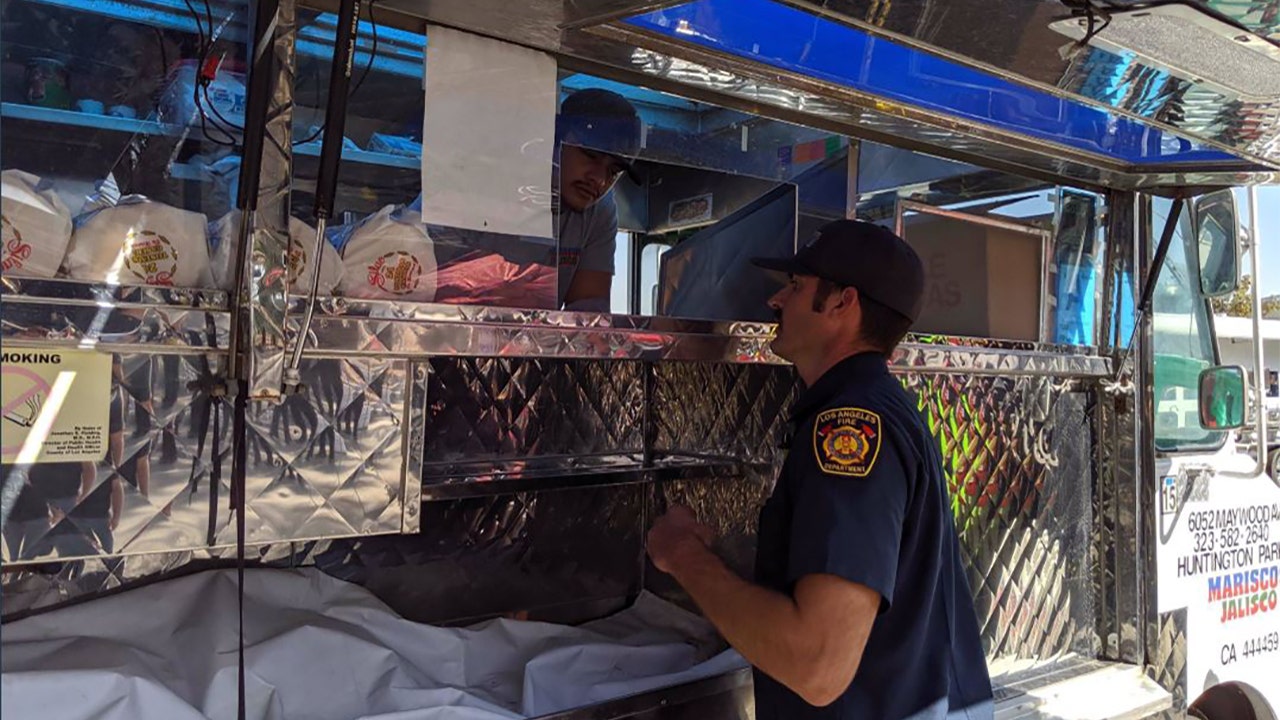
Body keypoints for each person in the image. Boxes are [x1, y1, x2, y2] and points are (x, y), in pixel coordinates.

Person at [646, 220, 994, 719]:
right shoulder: (880, 407)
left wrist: (681, 553)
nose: (775, 301)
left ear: (841, 303)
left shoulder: (851, 426)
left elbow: (817, 665)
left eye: (795, 285)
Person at [553, 88, 641, 312]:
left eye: (614, 171)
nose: (600, 180)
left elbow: (587, 313)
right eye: (590, 155)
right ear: (556, 139)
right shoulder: (504, 186)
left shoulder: (601, 209)